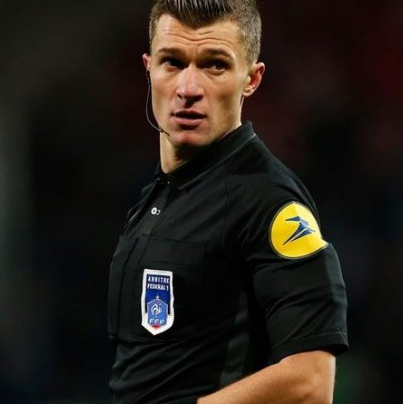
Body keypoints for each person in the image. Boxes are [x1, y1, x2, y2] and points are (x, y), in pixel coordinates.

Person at [107, 1, 349, 403]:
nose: (188, 88)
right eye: (172, 62)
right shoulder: (160, 195)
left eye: (214, 65)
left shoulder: (267, 201)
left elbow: (310, 381)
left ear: (251, 79)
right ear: (148, 68)